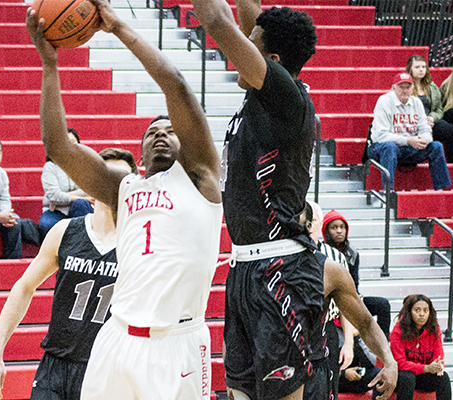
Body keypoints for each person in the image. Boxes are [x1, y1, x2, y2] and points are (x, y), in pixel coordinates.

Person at [27, 0, 223, 397]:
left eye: (171, 130)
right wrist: (50, 65)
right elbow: (58, 147)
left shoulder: (201, 180)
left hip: (177, 343)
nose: (161, 134)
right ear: (141, 152)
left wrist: (118, 28)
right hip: (116, 339)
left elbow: (178, 87)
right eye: (152, 133)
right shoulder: (125, 187)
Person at [189, 0, 332, 397]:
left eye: (249, 46)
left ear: (270, 59)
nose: (239, 54)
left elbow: (217, 19)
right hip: (245, 266)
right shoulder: (264, 94)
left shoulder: (287, 99)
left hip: (280, 269)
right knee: (239, 393)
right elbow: (251, 13)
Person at [0, 148, 137, 400]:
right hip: (55, 366)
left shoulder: (140, 242)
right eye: (105, 176)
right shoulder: (65, 231)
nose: (111, 184)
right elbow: (24, 287)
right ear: (90, 185)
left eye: (120, 179)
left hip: (109, 371)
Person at [302, 202, 398, 400]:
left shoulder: (336, 258)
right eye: (305, 222)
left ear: (319, 224)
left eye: (312, 221)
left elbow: (349, 308)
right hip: (290, 333)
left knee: (328, 390)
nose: (308, 227)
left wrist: (348, 342)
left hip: (326, 328)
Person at [367, 72, 452, 192]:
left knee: (436, 146)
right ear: (393, 88)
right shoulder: (384, 101)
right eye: (401, 87)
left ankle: (442, 190)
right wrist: (408, 140)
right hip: (381, 148)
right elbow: (381, 136)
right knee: (389, 146)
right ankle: (388, 191)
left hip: (408, 147)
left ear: (412, 89)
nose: (405, 90)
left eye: (408, 87)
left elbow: (426, 130)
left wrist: (424, 139)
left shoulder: (416, 103)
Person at [322, 210, 392, 338]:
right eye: (334, 227)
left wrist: (356, 299)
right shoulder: (321, 253)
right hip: (331, 303)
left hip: (351, 297)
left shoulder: (353, 254)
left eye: (342, 227)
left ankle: (383, 344)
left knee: (383, 305)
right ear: (326, 231)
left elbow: (354, 284)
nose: (339, 231)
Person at [381, 294, 452, 400]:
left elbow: (438, 358)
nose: (422, 314)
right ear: (409, 312)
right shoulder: (398, 331)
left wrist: (437, 366)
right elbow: (399, 363)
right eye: (417, 310)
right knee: (407, 377)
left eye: (425, 310)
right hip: (401, 377)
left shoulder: (435, 331)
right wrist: (425, 368)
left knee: (443, 378)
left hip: (422, 375)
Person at [39, 128, 94, 236]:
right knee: (47, 225)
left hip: (80, 209)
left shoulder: (85, 165)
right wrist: (81, 196)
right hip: (56, 211)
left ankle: (83, 249)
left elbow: (89, 189)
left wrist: (64, 196)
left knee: (80, 203)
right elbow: (53, 196)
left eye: (73, 142)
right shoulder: (50, 167)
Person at [406, 55, 453, 163]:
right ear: (410, 69)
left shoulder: (431, 86)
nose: (421, 70)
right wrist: (421, 121)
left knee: (452, 130)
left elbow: (439, 109)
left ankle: (452, 164)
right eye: (417, 67)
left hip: (431, 123)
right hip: (412, 125)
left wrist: (432, 117)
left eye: (423, 67)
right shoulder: (404, 87)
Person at [338, 327, 383, 399]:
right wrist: (344, 373)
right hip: (336, 379)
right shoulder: (332, 332)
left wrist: (356, 339)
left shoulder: (357, 332)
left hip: (356, 377)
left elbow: (371, 363)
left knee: (381, 374)